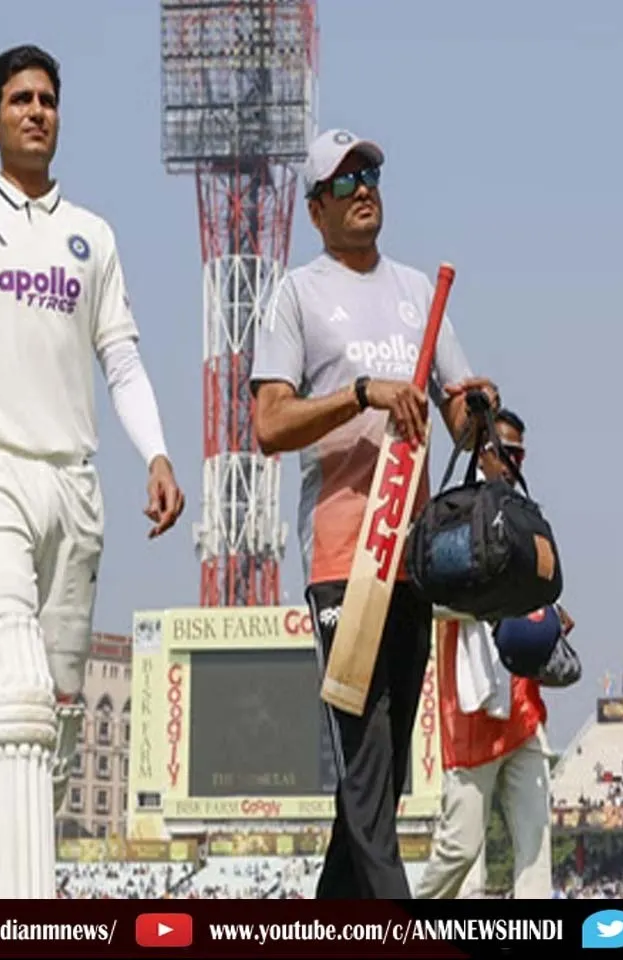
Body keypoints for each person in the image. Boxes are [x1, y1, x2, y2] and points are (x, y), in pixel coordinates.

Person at [0, 45, 184, 899]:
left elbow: (120, 360)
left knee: (51, 731)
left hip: (75, 485)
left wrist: (156, 451)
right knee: (10, 685)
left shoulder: (96, 238)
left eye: (48, 99)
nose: (36, 111)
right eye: (20, 99)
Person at [250, 128, 499, 899]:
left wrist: (478, 409)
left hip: (412, 554)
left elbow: (459, 414)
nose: (365, 188)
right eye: (347, 179)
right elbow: (268, 424)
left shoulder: (420, 292)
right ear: (317, 207)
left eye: (374, 173)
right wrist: (362, 392)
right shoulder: (297, 295)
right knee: (364, 761)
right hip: (342, 561)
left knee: (382, 774)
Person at [417, 409, 572, 900]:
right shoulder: (450, 516)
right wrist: (488, 605)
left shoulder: (527, 519)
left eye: (521, 454)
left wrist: (551, 616)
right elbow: (431, 598)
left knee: (535, 850)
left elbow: (543, 592)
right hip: (472, 711)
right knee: (462, 855)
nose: (515, 463)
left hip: (522, 709)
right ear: (484, 453)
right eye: (508, 452)